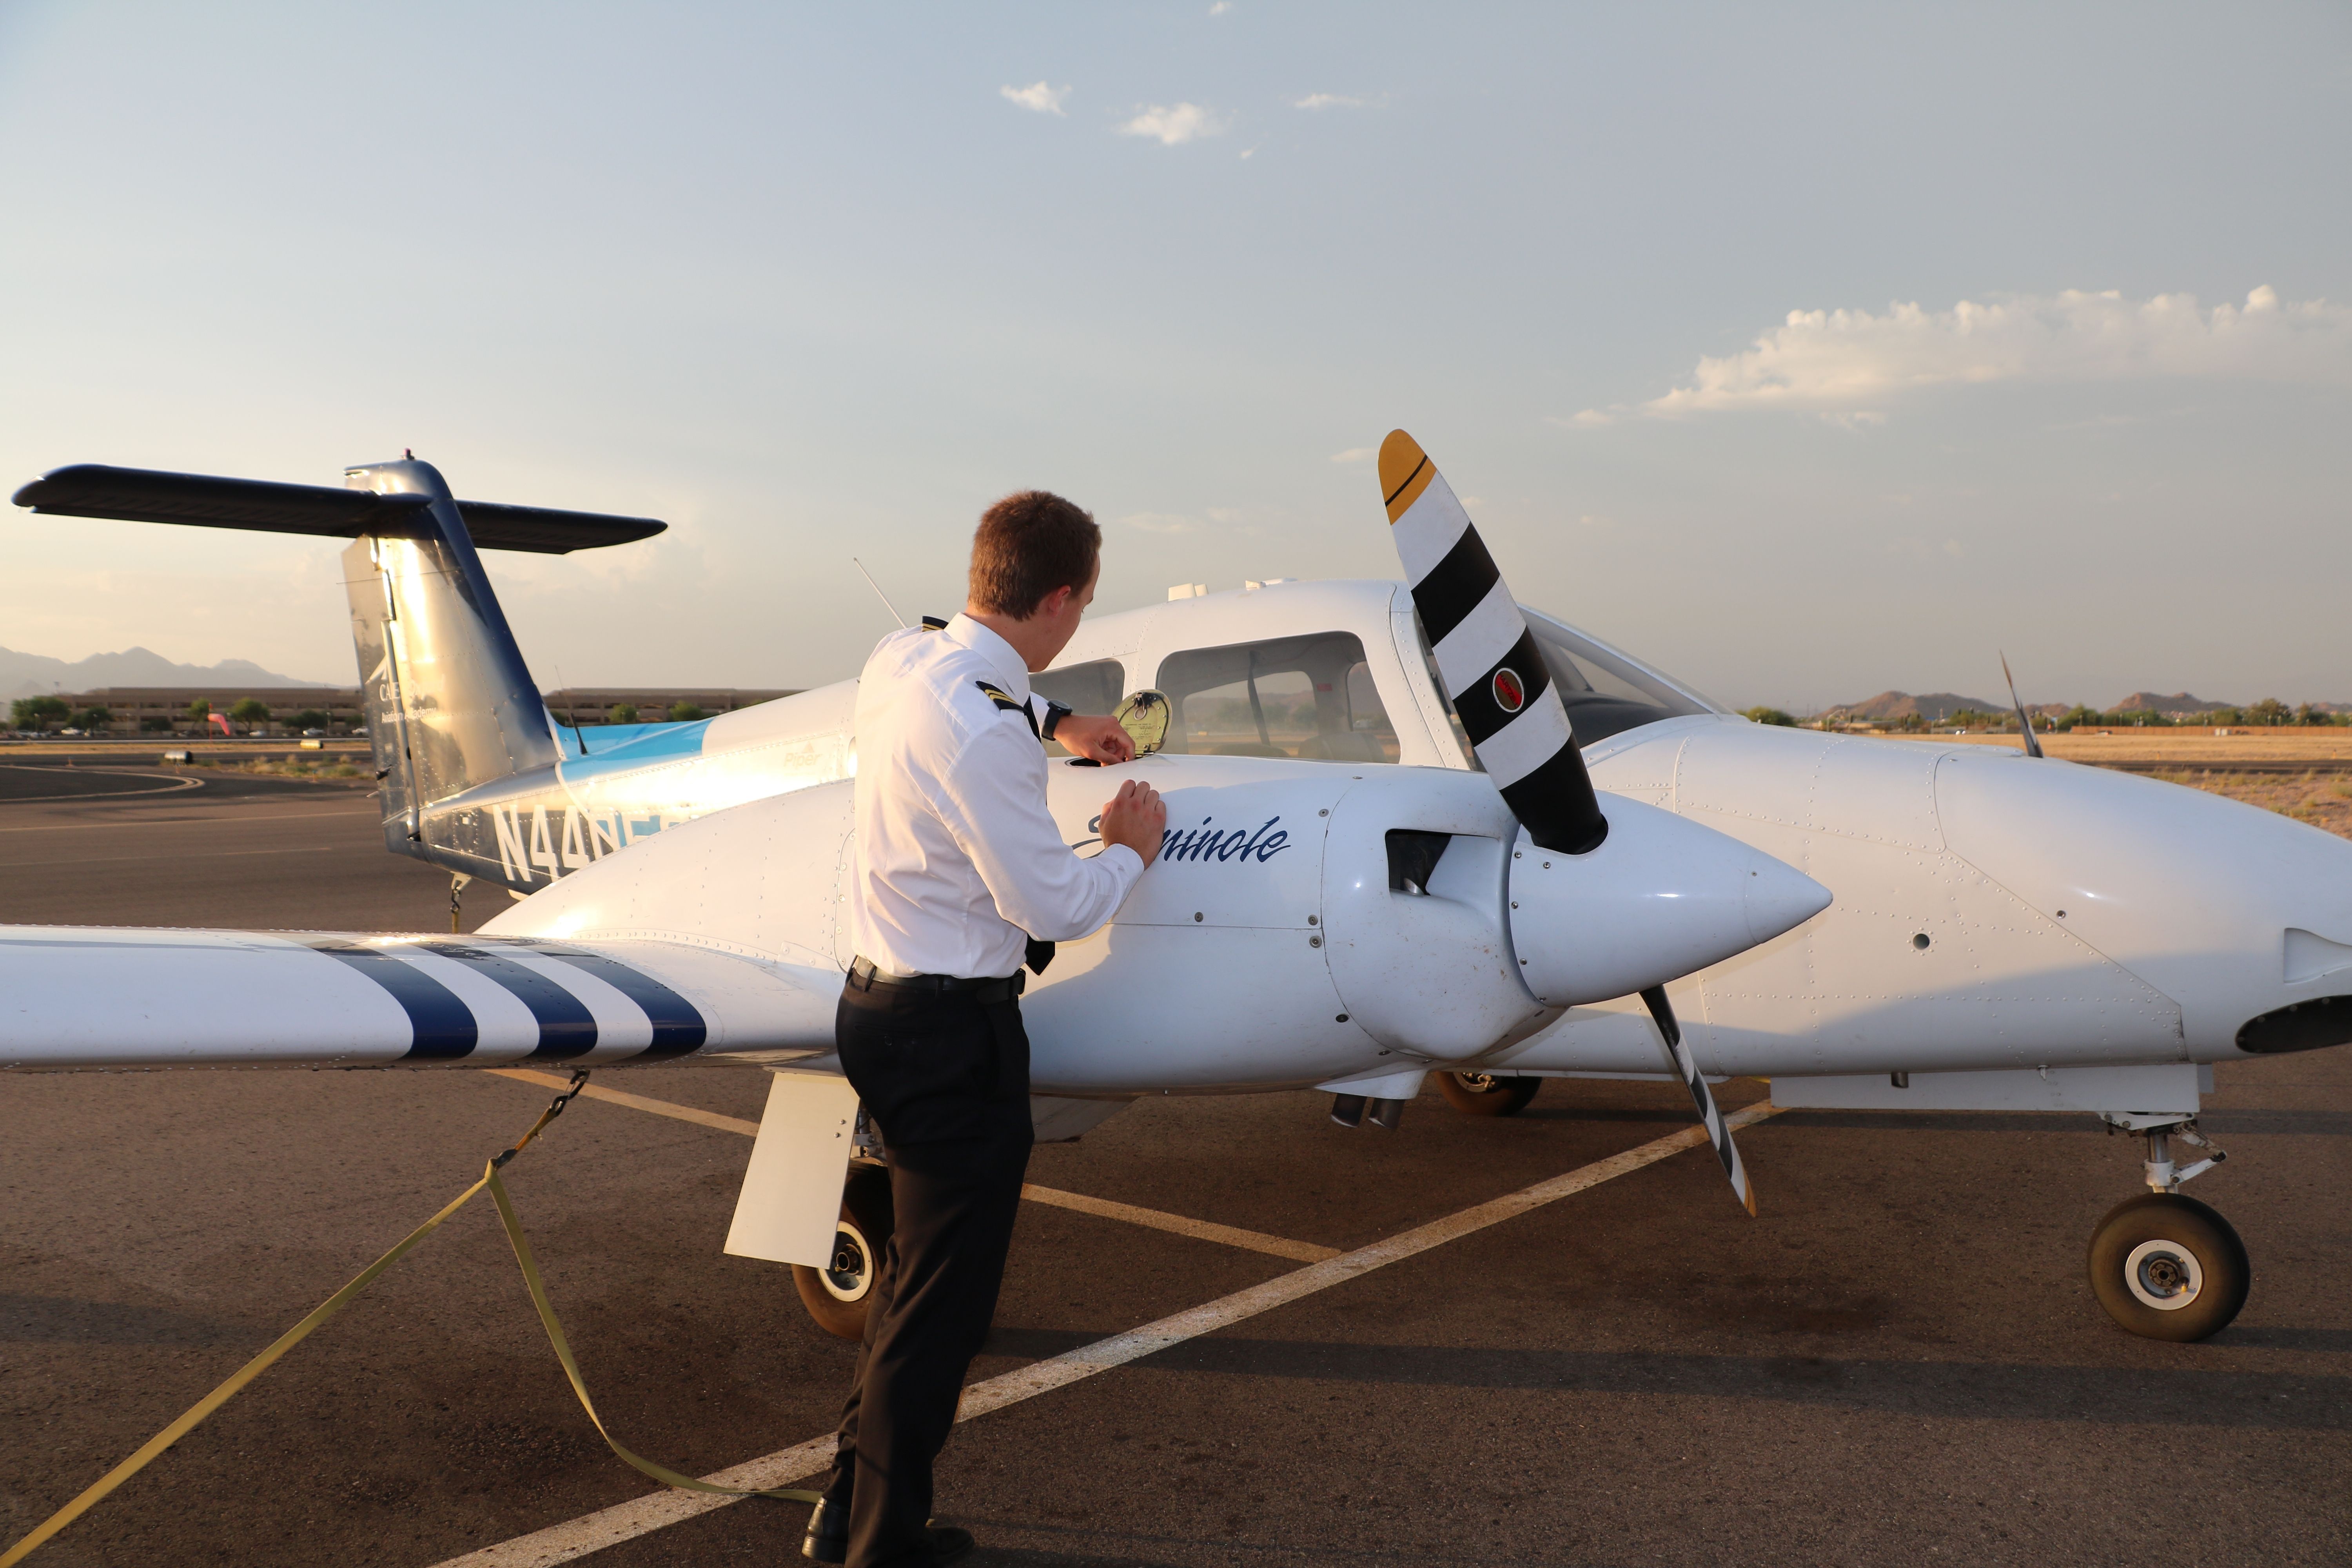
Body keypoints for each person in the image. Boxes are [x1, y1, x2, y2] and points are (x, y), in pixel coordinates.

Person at [805, 490, 1167, 1567]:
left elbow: (973, 680)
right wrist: (1127, 846)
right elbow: (1051, 909)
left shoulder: (901, 661)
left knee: (918, 1289)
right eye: (1083, 605)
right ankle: (879, 1548)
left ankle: (846, 1516)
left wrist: (1064, 725)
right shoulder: (983, 733)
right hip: (949, 1035)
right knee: (943, 1315)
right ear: (1058, 600)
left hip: (879, 1009)